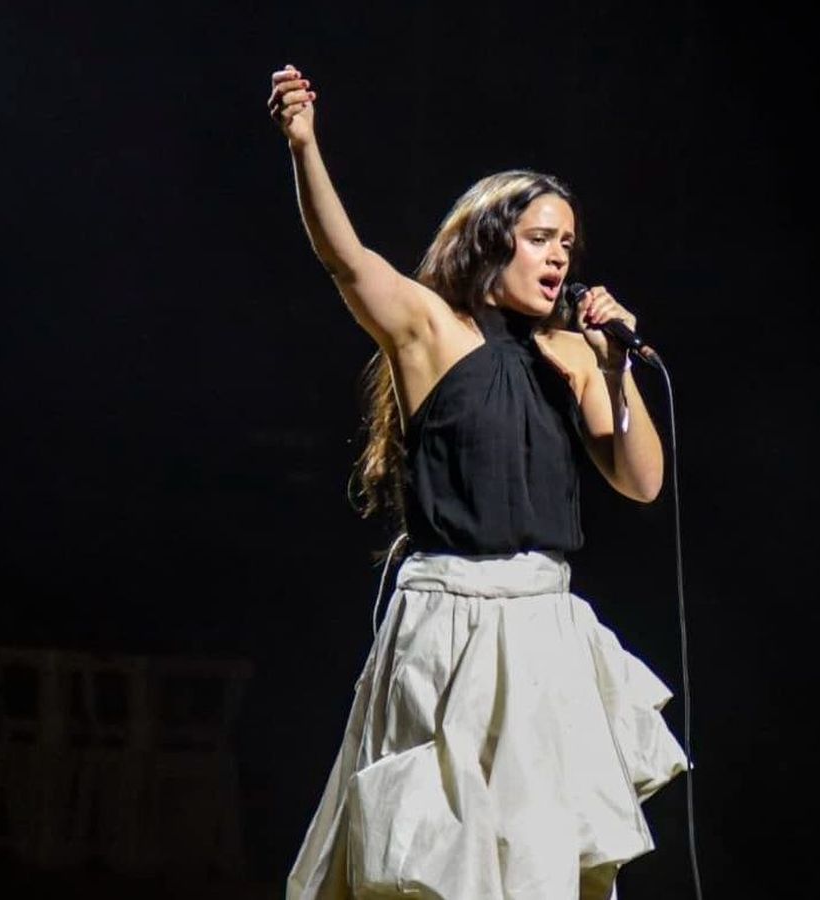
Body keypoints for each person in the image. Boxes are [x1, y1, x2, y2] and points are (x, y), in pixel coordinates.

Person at [268, 63, 687, 900]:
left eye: (567, 243)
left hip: (542, 624)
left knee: (538, 861)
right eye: (541, 237)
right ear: (492, 239)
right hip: (449, 623)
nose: (560, 255)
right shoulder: (432, 331)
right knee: (439, 854)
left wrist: (615, 368)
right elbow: (347, 262)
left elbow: (642, 482)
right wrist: (304, 145)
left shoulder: (573, 354)